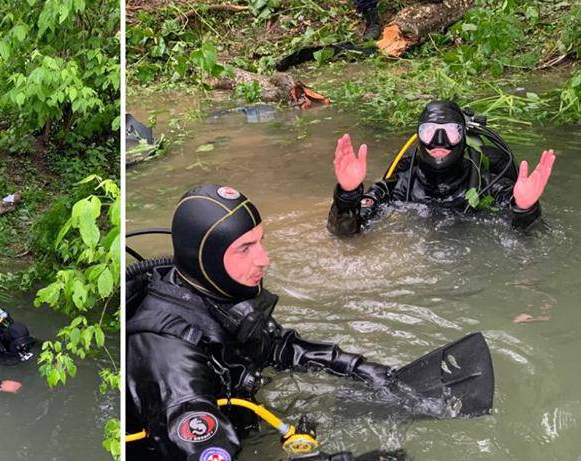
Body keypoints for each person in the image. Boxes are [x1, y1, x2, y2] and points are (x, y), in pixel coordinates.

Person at [126, 185, 394, 461]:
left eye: (260, 242)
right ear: (206, 257)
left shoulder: (216, 291)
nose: (264, 259)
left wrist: (354, 367)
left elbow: (275, 346)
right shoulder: (167, 356)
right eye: (244, 249)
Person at [328, 100, 556, 236]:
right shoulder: (398, 186)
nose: (439, 141)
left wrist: (525, 209)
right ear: (419, 137)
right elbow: (346, 233)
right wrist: (347, 194)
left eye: (450, 132)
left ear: (463, 137)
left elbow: (526, 236)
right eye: (429, 132)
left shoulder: (486, 185)